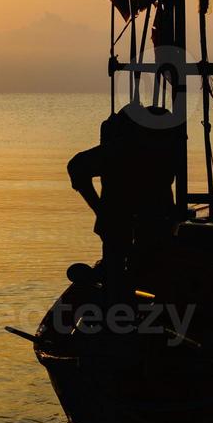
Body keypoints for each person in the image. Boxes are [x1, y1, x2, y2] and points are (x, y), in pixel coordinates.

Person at [67, 102, 178, 289]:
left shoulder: (132, 149)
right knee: (123, 271)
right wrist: (100, 209)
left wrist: (99, 209)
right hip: (126, 224)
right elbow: (76, 166)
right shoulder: (122, 149)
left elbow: (77, 166)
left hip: (147, 223)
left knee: (136, 271)